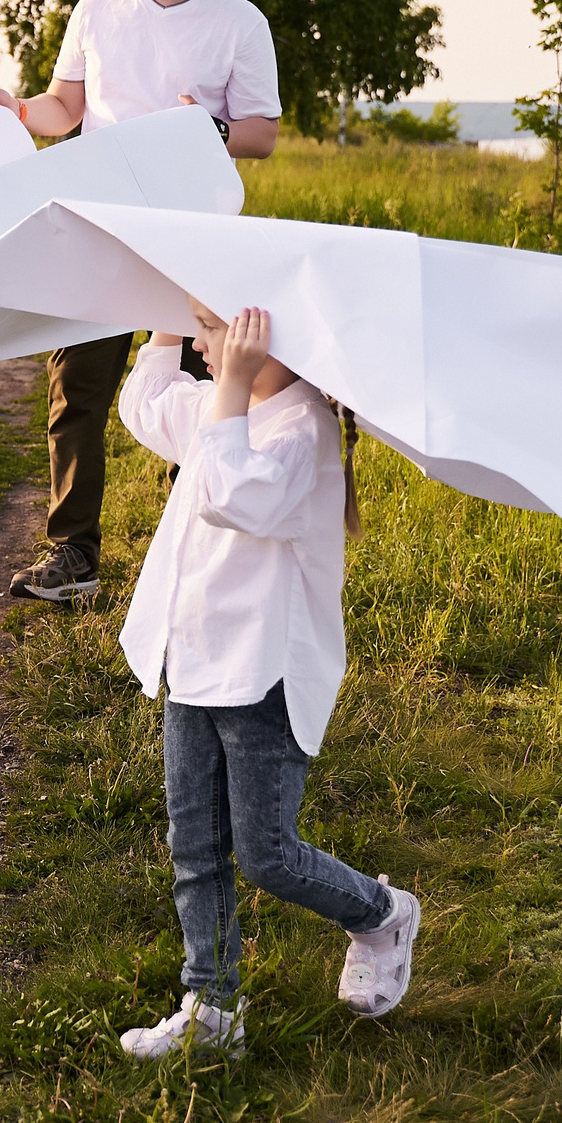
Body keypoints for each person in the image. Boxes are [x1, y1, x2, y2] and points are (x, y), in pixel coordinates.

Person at [109, 301, 420, 1057]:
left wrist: (232, 384)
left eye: (216, 331)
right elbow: (145, 403)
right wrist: (165, 328)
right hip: (192, 664)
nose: (208, 349)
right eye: (206, 332)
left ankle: (382, 912)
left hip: (260, 676)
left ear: (273, 343)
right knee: (195, 849)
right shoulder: (231, 404)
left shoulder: (300, 430)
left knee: (267, 854)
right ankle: (212, 1007)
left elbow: (230, 492)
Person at [0, 0, 286, 603]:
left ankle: (197, 551)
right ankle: (74, 557)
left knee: (204, 392)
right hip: (101, 231)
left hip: (193, 240)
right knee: (75, 388)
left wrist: (204, 126)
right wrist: (14, 111)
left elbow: (263, 134)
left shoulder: (240, 22)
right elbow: (65, 106)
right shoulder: (96, 8)